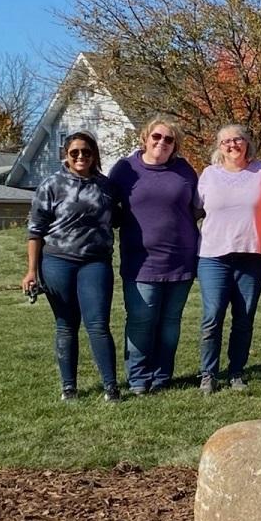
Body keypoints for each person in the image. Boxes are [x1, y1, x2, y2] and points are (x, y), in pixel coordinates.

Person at [23, 131, 120, 402]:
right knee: (66, 325)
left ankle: (111, 388)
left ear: (94, 155)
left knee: (98, 324)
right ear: (65, 155)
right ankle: (69, 388)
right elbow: (35, 230)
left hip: (95, 263)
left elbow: (121, 218)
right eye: (74, 152)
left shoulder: (106, 186)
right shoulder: (51, 184)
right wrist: (32, 271)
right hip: (57, 262)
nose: (80, 157)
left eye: (86, 152)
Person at [108, 115, 200, 395]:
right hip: (140, 262)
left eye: (169, 139)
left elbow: (199, 208)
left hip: (181, 260)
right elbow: (108, 206)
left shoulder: (184, 170)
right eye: (156, 137)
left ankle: (162, 376)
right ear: (145, 138)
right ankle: (138, 378)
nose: (162, 143)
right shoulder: (125, 169)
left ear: (176, 145)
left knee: (170, 323)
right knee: (141, 321)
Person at [195, 125, 261, 394]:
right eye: (225, 141)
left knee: (244, 318)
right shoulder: (209, 175)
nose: (232, 145)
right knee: (212, 316)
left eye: (237, 139)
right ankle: (208, 373)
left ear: (247, 142)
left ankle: (236, 371)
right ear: (219, 147)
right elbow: (194, 209)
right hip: (213, 256)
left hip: (252, 255)